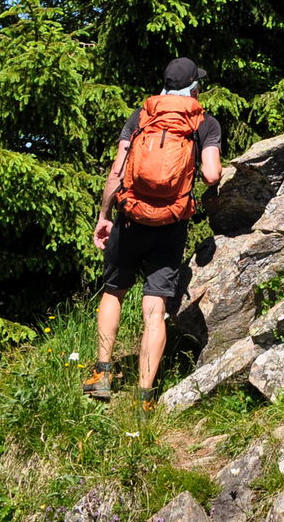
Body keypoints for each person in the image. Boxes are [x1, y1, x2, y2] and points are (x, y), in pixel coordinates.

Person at [81, 57, 223, 407]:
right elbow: (212, 174)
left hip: (130, 219)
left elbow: (117, 172)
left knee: (114, 292)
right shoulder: (204, 123)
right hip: (170, 225)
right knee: (155, 307)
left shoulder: (141, 116)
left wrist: (104, 215)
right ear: (194, 86)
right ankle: (145, 398)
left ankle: (102, 374)